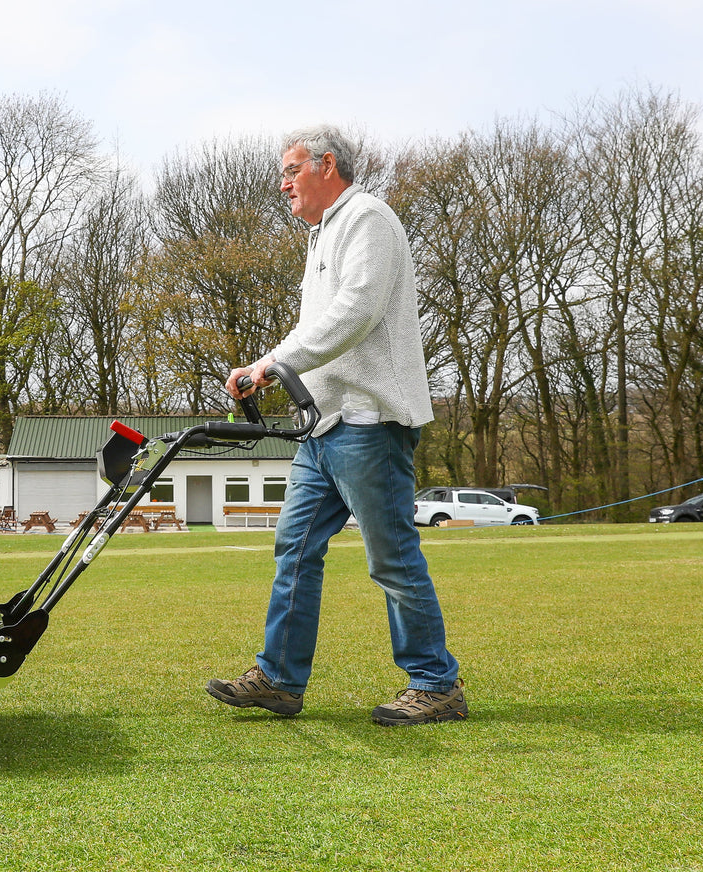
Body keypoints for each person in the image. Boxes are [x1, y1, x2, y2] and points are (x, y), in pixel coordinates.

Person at [206, 124, 466, 726]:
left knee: (392, 559)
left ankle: (437, 684)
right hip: (322, 426)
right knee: (294, 549)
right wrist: (271, 365)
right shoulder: (322, 235)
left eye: (291, 170)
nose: (283, 184)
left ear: (328, 166)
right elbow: (316, 327)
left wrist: (277, 363)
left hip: (368, 421)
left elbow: (357, 311)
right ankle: (279, 678)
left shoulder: (367, 218)